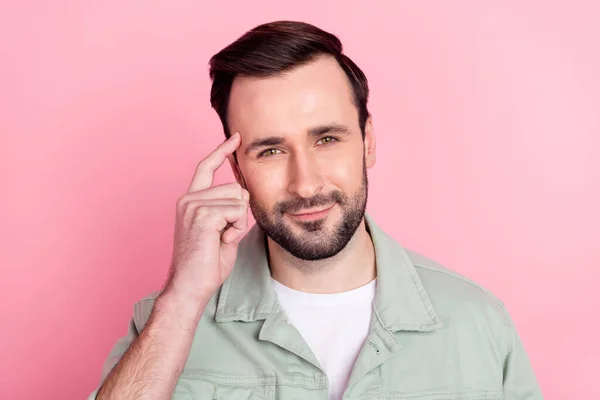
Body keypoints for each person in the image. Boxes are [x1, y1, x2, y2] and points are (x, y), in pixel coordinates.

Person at [89, 21, 543, 400]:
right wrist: (183, 300)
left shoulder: (477, 321)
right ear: (237, 169)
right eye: (269, 151)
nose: (304, 184)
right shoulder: (166, 322)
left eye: (327, 139)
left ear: (367, 141)